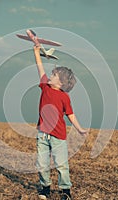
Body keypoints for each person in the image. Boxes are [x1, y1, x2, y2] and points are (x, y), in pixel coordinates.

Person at [33, 45, 88, 200]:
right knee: (42, 163)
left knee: (61, 165)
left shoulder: (64, 97)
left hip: (58, 136)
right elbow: (40, 68)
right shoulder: (45, 87)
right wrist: (36, 52)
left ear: (61, 83)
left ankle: (66, 191)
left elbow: (70, 114)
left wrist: (79, 129)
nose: (50, 75)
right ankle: (45, 189)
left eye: (54, 74)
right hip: (43, 134)